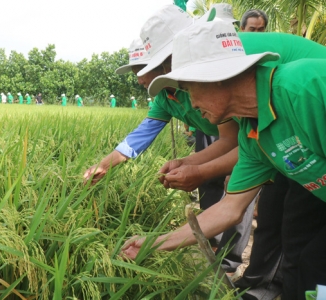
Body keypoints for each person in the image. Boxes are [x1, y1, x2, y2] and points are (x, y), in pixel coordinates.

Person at [124, 17, 326, 299]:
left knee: (315, 264)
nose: (190, 104)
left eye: (190, 89)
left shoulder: (305, 87)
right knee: (307, 264)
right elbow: (229, 208)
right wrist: (154, 243)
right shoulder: (255, 134)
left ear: (216, 76)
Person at [83, 5, 251, 275]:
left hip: (242, 127)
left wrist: (193, 167)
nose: (138, 78)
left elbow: (237, 142)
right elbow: (139, 137)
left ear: (165, 62)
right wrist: (104, 165)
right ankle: (210, 240)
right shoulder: (165, 97)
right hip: (224, 131)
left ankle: (230, 262)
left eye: (142, 69)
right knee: (212, 186)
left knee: (240, 186)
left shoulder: (215, 73)